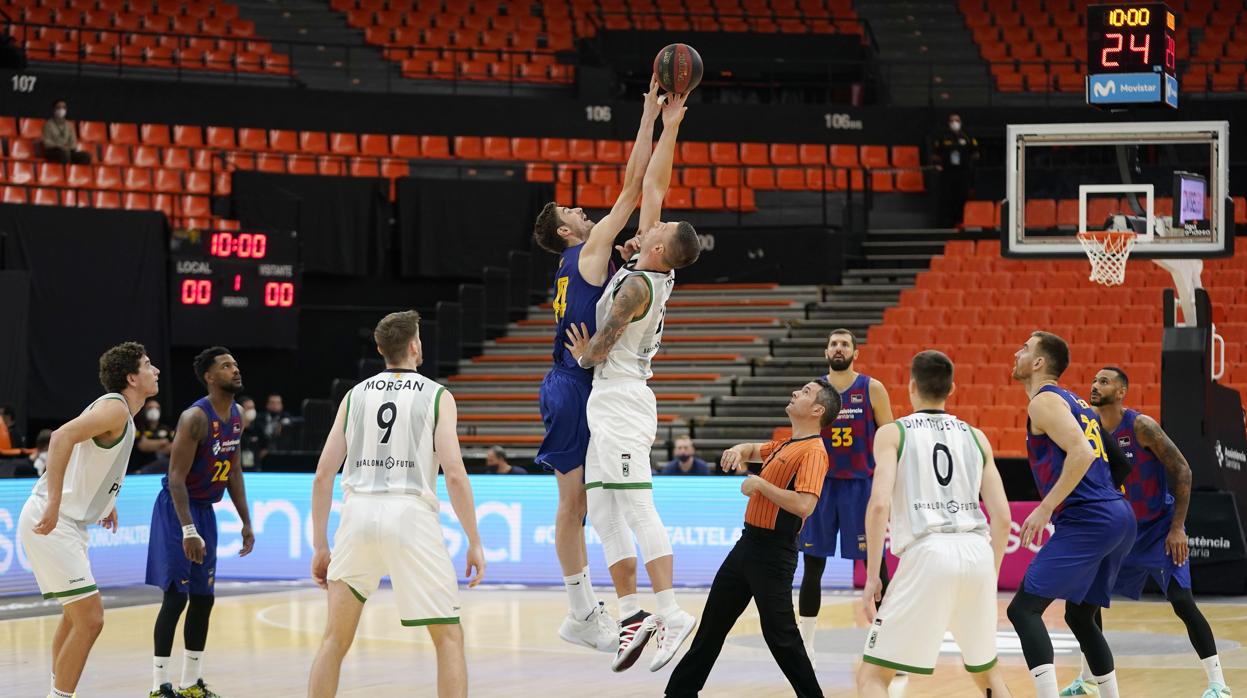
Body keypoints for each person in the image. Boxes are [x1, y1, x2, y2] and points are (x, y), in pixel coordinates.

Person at [563, 90, 702, 674]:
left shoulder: (641, 284)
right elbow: (653, 185)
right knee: (602, 510)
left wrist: (583, 355)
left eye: (658, 227)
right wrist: (667, 124)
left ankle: (672, 612)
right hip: (610, 401)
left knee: (638, 506)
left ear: (659, 246)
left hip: (621, 397)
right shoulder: (643, 267)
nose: (655, 221)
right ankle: (631, 614)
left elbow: (603, 344)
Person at [532, 76, 662, 653]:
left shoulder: (593, 258)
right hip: (573, 382)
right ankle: (582, 611)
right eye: (572, 210)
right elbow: (633, 186)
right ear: (566, 231)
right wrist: (648, 116)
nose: (582, 209)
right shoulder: (585, 249)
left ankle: (595, 609)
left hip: (582, 381)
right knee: (575, 503)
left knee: (591, 501)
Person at [309, 310, 486, 698]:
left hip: (357, 514)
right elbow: (455, 475)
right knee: (449, 638)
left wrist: (320, 545)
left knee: (334, 640)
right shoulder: (437, 396)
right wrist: (474, 540)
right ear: (415, 346)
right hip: (410, 515)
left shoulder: (354, 395)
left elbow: (323, 475)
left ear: (380, 349)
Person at [1058, 367, 1230, 698]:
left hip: (1158, 528)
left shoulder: (1141, 426)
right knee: (1085, 603)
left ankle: (1219, 684)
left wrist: (1177, 528)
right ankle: (1088, 680)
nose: (1095, 386)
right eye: (1094, 381)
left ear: (1121, 391)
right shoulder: (1088, 429)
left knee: (1182, 601)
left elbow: (1182, 469)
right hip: (1117, 529)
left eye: (1104, 381)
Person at [665, 379, 838, 698]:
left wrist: (760, 485)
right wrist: (736, 450)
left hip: (773, 554)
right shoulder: (786, 445)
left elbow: (805, 505)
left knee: (782, 637)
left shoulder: (814, 452)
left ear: (817, 410)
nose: (795, 392)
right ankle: (679, 693)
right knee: (712, 625)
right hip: (747, 545)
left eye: (805, 392)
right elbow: (751, 449)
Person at [856, 350, 1013, 698]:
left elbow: (879, 504)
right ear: (951, 389)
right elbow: (1003, 518)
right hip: (977, 553)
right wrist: (991, 573)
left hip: (927, 553)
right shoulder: (976, 436)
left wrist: (872, 576)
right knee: (988, 674)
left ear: (911, 385)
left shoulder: (893, 433)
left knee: (872, 676)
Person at [18, 342, 159, 698]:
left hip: (70, 521)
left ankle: (57, 690)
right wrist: (53, 501)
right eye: (148, 364)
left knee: (75, 617)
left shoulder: (121, 413)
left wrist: (105, 501)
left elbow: (92, 459)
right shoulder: (115, 408)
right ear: (131, 378)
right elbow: (62, 436)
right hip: (54, 519)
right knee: (91, 618)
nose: (156, 370)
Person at [1006, 332, 1135, 698]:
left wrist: (1045, 507)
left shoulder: (1044, 402)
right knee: (1080, 616)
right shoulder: (1076, 403)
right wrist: (1106, 498)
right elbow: (1121, 464)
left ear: (1038, 363)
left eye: (1024, 348)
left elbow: (1082, 452)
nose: (1016, 352)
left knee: (1023, 611)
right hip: (1117, 515)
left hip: (1090, 518)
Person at [146, 347, 255, 698]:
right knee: (176, 597)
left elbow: (234, 471)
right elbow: (176, 478)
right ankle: (158, 686)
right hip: (178, 510)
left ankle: (191, 683)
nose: (235, 369)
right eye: (226, 366)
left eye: (235, 364)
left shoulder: (238, 415)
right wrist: (188, 530)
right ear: (209, 377)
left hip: (205, 509)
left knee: (204, 598)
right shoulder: (195, 417)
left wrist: (246, 521)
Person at [796, 328, 894, 671]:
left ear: (856, 352)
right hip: (821, 486)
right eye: (834, 344)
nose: (839, 348)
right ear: (826, 351)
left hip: (860, 488)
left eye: (845, 344)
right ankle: (806, 647)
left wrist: (888, 485)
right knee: (813, 566)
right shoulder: (814, 390)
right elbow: (801, 435)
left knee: (877, 565)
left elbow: (890, 439)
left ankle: (889, 645)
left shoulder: (872, 388)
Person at [930, 112, 978, 227]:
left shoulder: (967, 137)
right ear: (948, 123)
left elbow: (976, 153)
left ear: (960, 122)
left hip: (963, 173)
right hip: (948, 173)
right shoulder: (943, 138)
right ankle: (947, 223)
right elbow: (934, 155)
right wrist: (942, 161)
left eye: (957, 120)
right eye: (952, 121)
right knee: (947, 198)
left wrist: (967, 160)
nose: (954, 123)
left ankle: (961, 221)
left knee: (962, 197)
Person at [132, 397, 175, 473]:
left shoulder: (166, 428)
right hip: (141, 468)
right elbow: (143, 446)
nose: (154, 411)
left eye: (157, 408)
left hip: (162, 468)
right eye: (150, 408)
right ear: (144, 411)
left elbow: (173, 447)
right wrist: (164, 442)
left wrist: (153, 447)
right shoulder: (139, 427)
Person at [42, 99, 90, 165]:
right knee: (65, 154)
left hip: (68, 151)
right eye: (59, 107)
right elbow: (47, 143)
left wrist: (69, 147)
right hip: (53, 151)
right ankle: (65, 171)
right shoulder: (48, 124)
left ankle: (77, 171)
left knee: (86, 156)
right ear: (54, 109)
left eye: (63, 107)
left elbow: (73, 142)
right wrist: (60, 146)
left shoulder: (69, 125)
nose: (61, 110)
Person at [236, 395, 265, 469]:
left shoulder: (258, 428)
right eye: (249, 408)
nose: (252, 411)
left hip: (255, 468)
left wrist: (256, 457)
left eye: (253, 407)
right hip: (238, 468)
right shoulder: (234, 428)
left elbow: (265, 446)